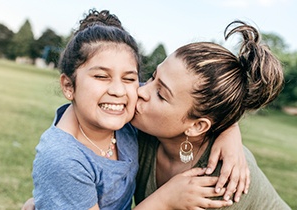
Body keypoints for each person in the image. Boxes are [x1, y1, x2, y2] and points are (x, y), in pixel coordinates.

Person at [26, 10, 249, 210]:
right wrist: (165, 200)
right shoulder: (63, 159)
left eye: (130, 78)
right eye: (101, 76)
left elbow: (201, 102)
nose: (118, 90)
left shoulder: (130, 105)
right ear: (68, 86)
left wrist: (229, 131)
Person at [132, 20, 291, 209]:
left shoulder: (224, 181)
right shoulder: (141, 129)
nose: (141, 91)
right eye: (152, 77)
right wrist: (231, 127)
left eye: (160, 95)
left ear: (197, 126)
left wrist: (164, 200)